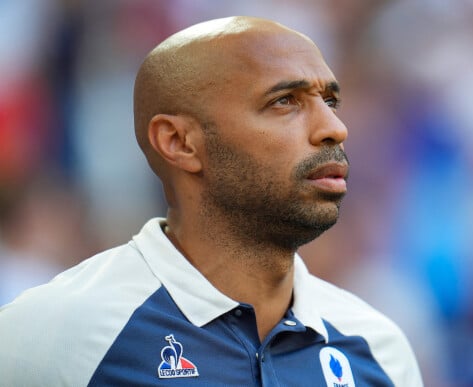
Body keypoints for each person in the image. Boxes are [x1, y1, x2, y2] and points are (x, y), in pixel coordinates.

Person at [0, 16, 422, 386]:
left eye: (330, 101)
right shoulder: (54, 334)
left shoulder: (380, 350)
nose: (334, 128)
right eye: (284, 102)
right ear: (179, 142)